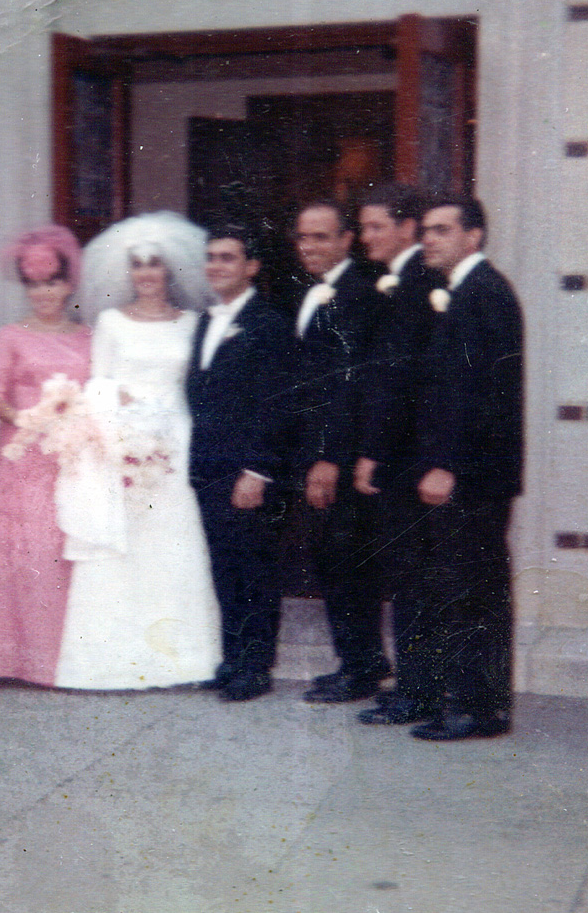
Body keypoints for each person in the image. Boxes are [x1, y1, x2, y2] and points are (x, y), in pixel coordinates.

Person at [55, 212, 221, 690]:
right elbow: (97, 384)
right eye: (139, 266)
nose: (147, 274)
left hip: (175, 444)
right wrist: (124, 425)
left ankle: (181, 660)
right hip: (124, 444)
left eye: (155, 265)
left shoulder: (192, 323)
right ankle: (113, 658)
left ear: (170, 271)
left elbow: (198, 385)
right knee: (124, 547)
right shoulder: (110, 322)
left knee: (174, 543)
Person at [409, 194, 523, 741]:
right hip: (475, 473)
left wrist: (447, 466)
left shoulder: (484, 294)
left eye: (442, 230)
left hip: (474, 476)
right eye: (426, 230)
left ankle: (476, 709)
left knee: (473, 590)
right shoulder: (469, 292)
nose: (428, 238)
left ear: (473, 236)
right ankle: (477, 703)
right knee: (471, 588)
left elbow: (481, 395)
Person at [347, 185, 448, 727]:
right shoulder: (400, 283)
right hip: (402, 455)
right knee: (406, 578)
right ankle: (412, 684)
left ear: (407, 228)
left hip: (408, 459)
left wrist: (374, 454)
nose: (365, 238)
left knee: (413, 579)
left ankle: (418, 690)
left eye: (375, 227)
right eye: (362, 229)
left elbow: (401, 383)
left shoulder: (418, 285)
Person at [186, 227, 295, 702]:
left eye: (228, 257)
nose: (216, 266)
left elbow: (277, 404)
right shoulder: (203, 321)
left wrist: (258, 470)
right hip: (209, 467)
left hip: (246, 471)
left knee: (254, 570)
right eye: (210, 258)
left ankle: (256, 666)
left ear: (251, 266)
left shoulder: (269, 323)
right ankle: (233, 659)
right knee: (224, 568)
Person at [290, 199, 386, 703]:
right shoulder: (316, 291)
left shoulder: (359, 295)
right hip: (318, 451)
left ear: (346, 240)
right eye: (303, 237)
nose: (309, 246)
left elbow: (350, 387)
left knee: (347, 561)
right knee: (332, 559)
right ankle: (357, 659)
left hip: (339, 456)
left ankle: (361, 668)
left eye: (321, 237)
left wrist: (329, 457)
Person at [0, 225, 92, 687]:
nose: (44, 293)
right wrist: (28, 421)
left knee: (66, 551)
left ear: (68, 284)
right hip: (25, 455)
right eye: (34, 284)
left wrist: (73, 425)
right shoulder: (9, 336)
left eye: (52, 282)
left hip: (72, 454)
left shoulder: (87, 337)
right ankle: (23, 659)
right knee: (31, 553)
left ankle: (64, 658)